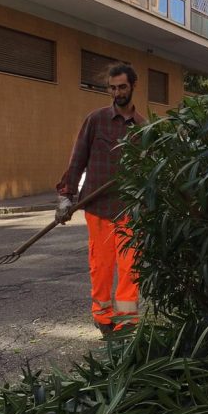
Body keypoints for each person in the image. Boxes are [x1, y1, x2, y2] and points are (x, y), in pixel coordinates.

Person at [56, 63, 146, 336]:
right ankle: (103, 316)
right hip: (98, 207)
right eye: (112, 87)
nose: (117, 92)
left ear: (133, 87)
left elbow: (150, 170)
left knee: (130, 265)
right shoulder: (95, 120)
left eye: (122, 87)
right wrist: (66, 196)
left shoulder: (143, 128)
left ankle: (127, 320)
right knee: (101, 264)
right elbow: (78, 159)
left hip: (130, 207)